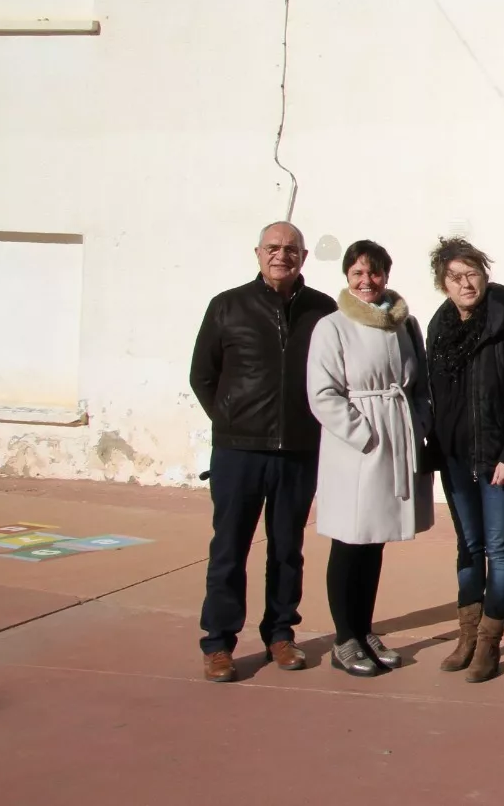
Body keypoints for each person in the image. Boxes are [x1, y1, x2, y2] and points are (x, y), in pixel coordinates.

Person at [189, 221, 336, 682]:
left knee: (287, 550)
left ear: (304, 257)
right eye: (272, 248)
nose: (281, 256)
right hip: (239, 453)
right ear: (257, 253)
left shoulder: (322, 310)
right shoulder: (227, 306)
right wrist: (232, 421)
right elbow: (202, 376)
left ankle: (280, 635)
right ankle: (218, 644)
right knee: (229, 550)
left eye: (290, 249)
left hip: (297, 451)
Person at [307, 240, 435, 677]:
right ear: (347, 276)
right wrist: (364, 435)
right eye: (358, 273)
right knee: (349, 540)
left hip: (395, 438)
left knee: (374, 541)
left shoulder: (403, 324)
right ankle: (345, 637)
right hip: (357, 448)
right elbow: (322, 394)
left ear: (386, 275)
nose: (367, 282)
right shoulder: (332, 326)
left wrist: (416, 426)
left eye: (375, 273)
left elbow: (417, 383)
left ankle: (364, 628)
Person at [425, 237, 504, 683]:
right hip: (454, 458)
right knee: (468, 545)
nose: (466, 283)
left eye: (473, 274)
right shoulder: (438, 327)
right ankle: (467, 633)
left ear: (486, 274)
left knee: (499, 548)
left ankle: (489, 643)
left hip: (496, 460)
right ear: (443, 283)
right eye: (456, 277)